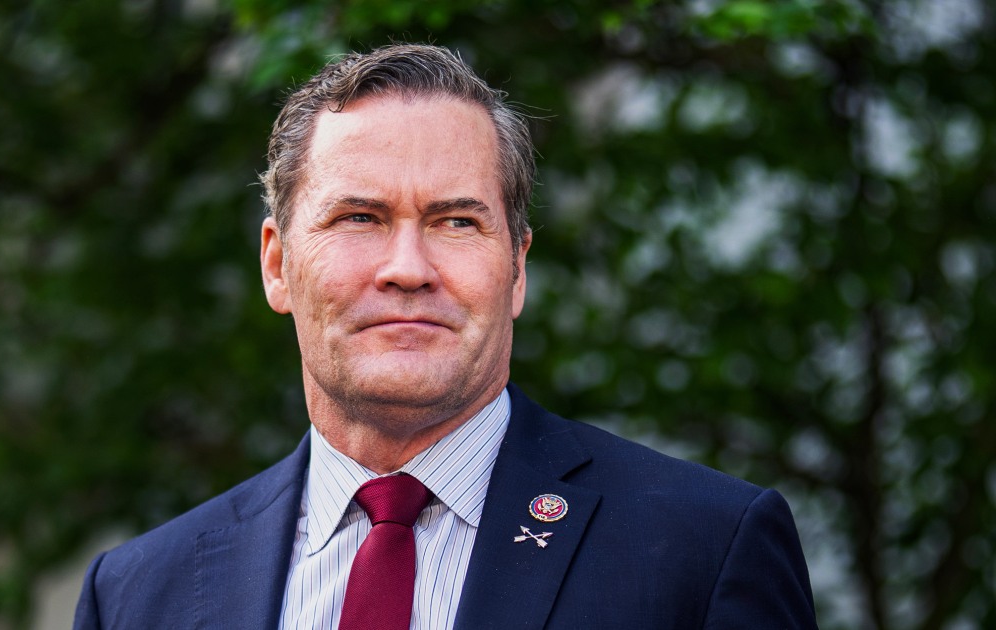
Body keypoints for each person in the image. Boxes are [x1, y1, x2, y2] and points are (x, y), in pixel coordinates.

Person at [73, 44, 817, 629]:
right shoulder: (137, 594)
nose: (407, 269)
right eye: (359, 218)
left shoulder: (704, 550)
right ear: (277, 265)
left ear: (517, 269)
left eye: (456, 221)